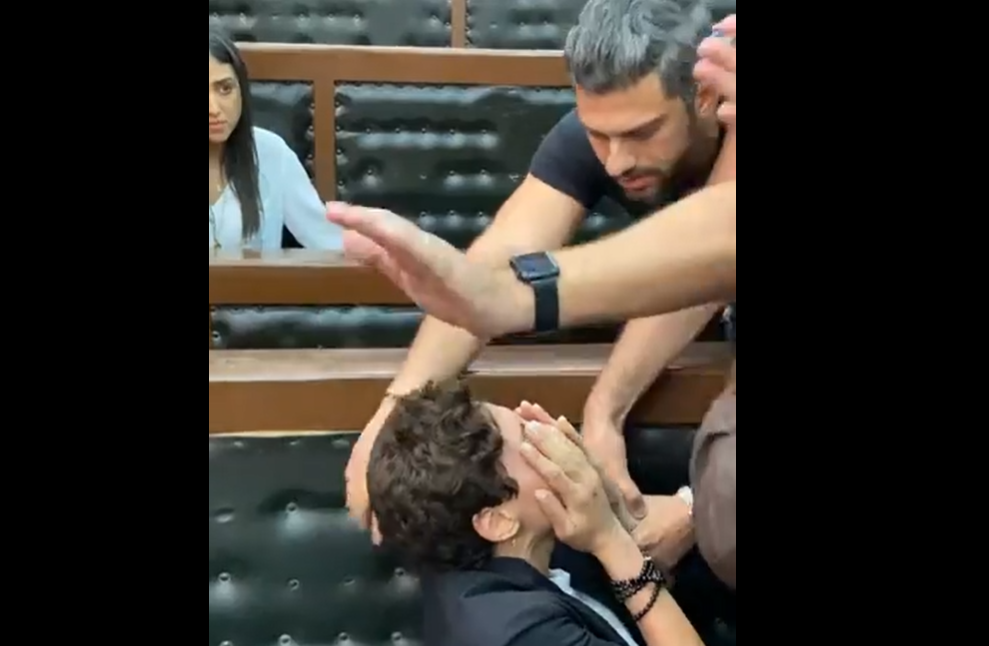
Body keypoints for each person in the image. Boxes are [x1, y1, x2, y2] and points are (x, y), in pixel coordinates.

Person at [342, 1, 735, 574]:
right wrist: (393, 411)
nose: (617, 161)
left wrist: (612, 411)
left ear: (702, 96)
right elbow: (497, 262)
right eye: (598, 135)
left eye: (641, 133)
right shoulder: (601, 133)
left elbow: (705, 261)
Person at [367, 380, 736, 646]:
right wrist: (611, 540)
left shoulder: (516, 545)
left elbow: (648, 555)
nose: (551, 437)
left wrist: (606, 502)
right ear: (498, 521)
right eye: (529, 441)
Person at [208, 24, 341, 257]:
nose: (214, 108)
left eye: (225, 89)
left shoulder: (272, 153)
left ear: (242, 90)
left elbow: (328, 240)